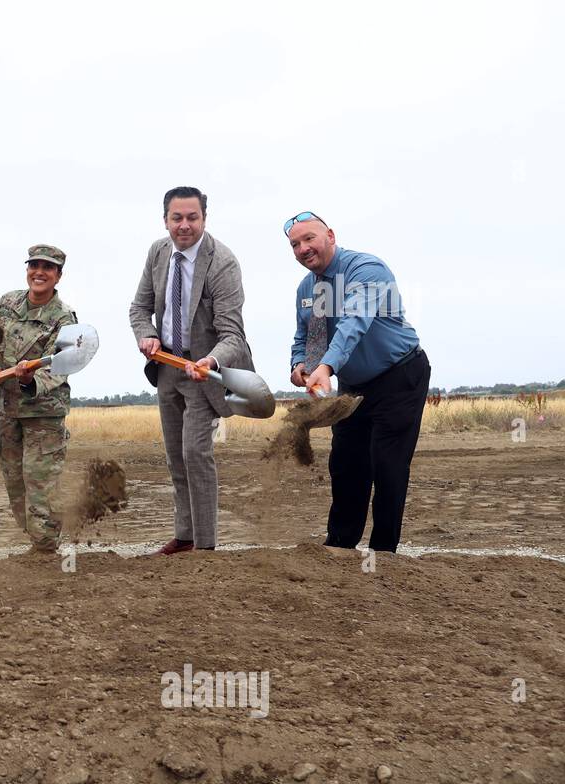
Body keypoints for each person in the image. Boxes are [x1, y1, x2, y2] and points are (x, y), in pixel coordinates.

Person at [284, 212, 430, 553]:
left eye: (309, 239)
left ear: (330, 236)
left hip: (399, 376)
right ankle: (340, 545)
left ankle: (383, 551)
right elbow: (304, 336)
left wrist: (328, 366)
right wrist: (301, 364)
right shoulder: (307, 288)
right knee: (346, 463)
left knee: (387, 463)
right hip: (352, 386)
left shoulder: (366, 270)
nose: (303, 248)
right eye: (295, 244)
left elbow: (354, 321)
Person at [129, 186, 254, 555]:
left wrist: (211, 361)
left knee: (196, 453)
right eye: (177, 218)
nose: (184, 226)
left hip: (205, 371)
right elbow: (139, 308)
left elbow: (232, 334)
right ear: (165, 219)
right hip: (166, 366)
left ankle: (205, 546)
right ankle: (184, 537)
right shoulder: (158, 252)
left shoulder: (223, 263)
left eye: (192, 217)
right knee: (175, 455)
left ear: (204, 218)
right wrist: (148, 335)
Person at [0, 244, 77, 556]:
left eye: (48, 268)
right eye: (34, 265)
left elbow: (64, 365)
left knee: (40, 483)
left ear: (58, 276)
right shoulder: (7, 303)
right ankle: (36, 540)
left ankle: (46, 547)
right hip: (7, 411)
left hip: (43, 415)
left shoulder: (65, 319)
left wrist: (31, 379)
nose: (40, 272)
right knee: (14, 481)